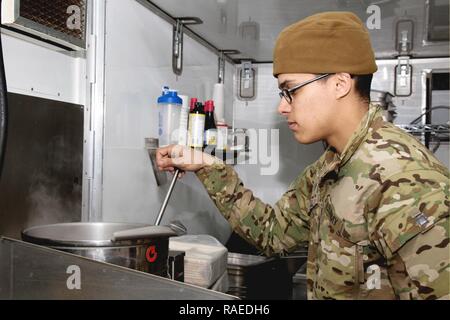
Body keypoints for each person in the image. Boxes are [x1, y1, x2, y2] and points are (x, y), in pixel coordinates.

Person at [156, 11, 449, 300]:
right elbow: (273, 233)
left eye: (290, 90)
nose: (283, 108)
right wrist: (206, 165)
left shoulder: (406, 180)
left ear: (339, 84)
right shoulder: (330, 166)